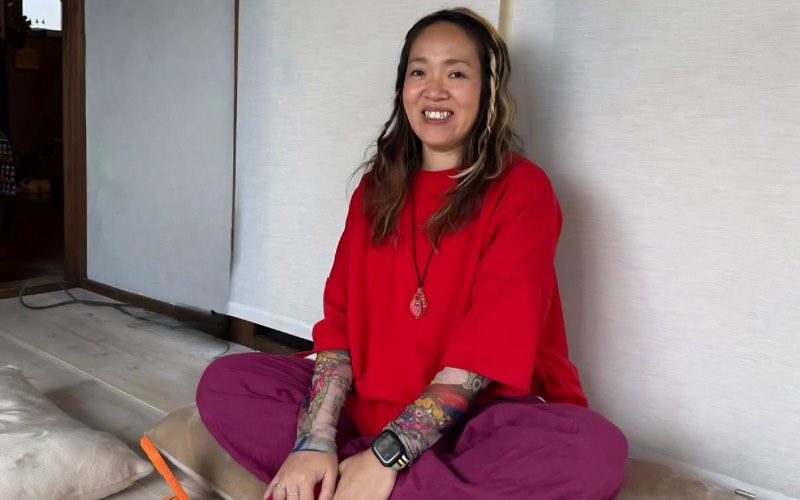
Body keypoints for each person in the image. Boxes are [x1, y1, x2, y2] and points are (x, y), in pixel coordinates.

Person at [197, 7, 628, 500]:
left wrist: (388, 453)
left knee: (595, 452)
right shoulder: (374, 189)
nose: (434, 90)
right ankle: (366, 478)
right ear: (403, 87)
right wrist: (314, 440)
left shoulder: (523, 190)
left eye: (457, 74)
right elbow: (338, 327)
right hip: (369, 402)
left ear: (488, 90)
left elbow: (487, 351)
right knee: (226, 382)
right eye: (419, 72)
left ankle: (358, 478)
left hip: (477, 419)